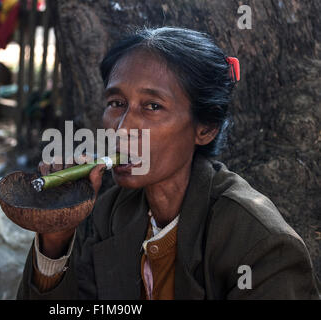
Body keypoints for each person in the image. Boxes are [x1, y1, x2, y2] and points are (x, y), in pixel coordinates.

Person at [17, 27, 320, 299]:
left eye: (153, 106)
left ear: (205, 128)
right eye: (116, 104)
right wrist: (55, 238)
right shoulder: (105, 217)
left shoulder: (260, 244)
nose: (121, 129)